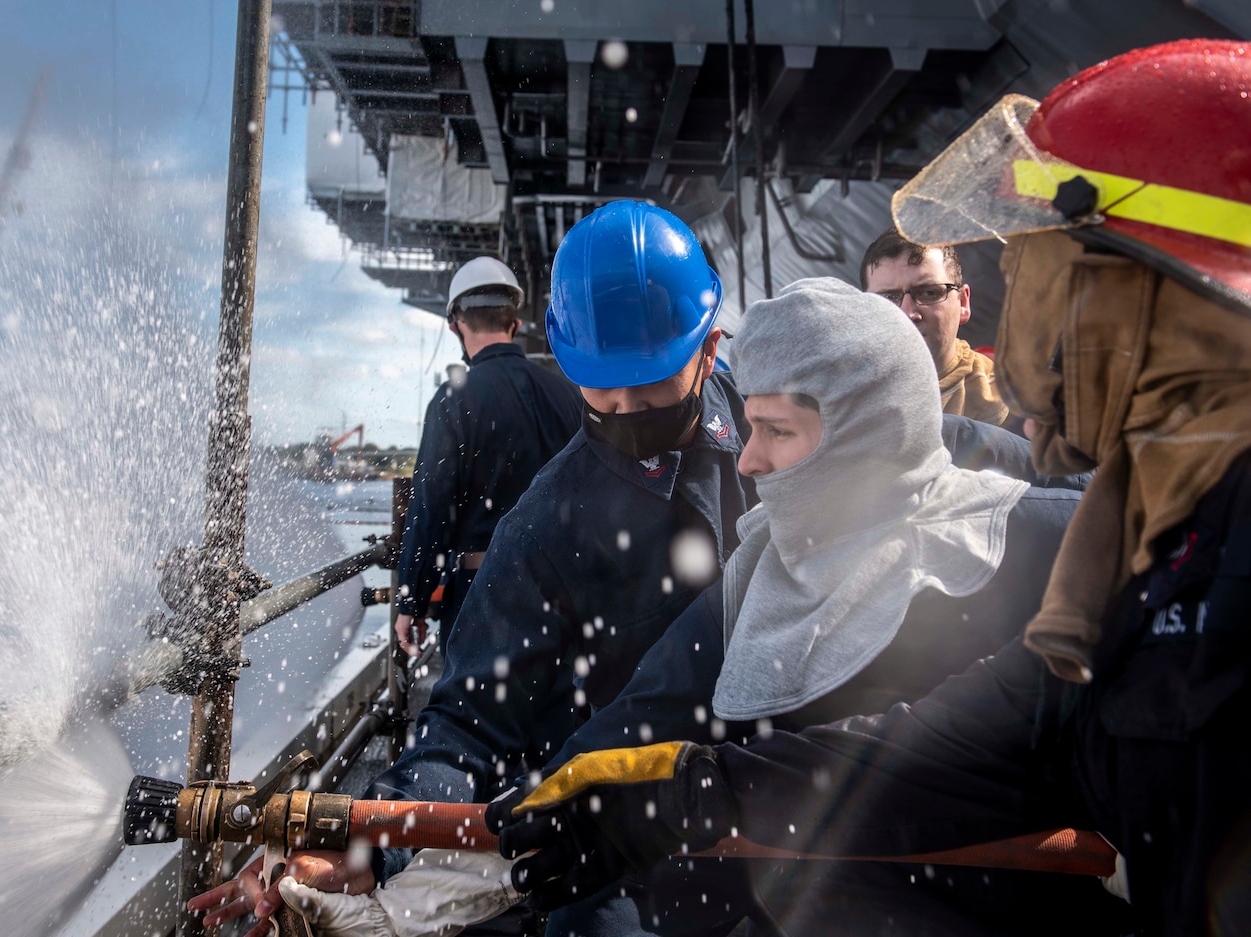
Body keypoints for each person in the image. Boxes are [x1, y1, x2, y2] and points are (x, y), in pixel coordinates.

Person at [489, 39, 1251, 936]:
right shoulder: (1145, 552)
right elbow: (978, 742)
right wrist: (697, 791)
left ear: (1168, 298)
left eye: (1051, 268)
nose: (1027, 304)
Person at [190, 200, 759, 935]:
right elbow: (468, 722)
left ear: (709, 352)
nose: (620, 410)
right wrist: (372, 837)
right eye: (600, 387)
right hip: (610, 821)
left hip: (769, 795)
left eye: (646, 388)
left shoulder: (766, 427)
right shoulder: (544, 523)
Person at [491, 277, 1126, 936]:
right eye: (749, 426)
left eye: (778, 431)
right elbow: (638, 719)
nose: (750, 460)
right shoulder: (762, 572)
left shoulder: (1047, 548)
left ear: (868, 432)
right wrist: (484, 838)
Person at [393, 257, 583, 656]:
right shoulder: (566, 395)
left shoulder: (451, 402)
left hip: (481, 598)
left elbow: (431, 508)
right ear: (513, 323)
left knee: (474, 715)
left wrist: (412, 601)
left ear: (456, 326)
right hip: (564, 596)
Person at [860, 229, 1019, 432]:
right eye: (888, 298)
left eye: (929, 293)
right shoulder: (836, 401)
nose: (908, 313)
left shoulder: (1016, 403)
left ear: (963, 302)